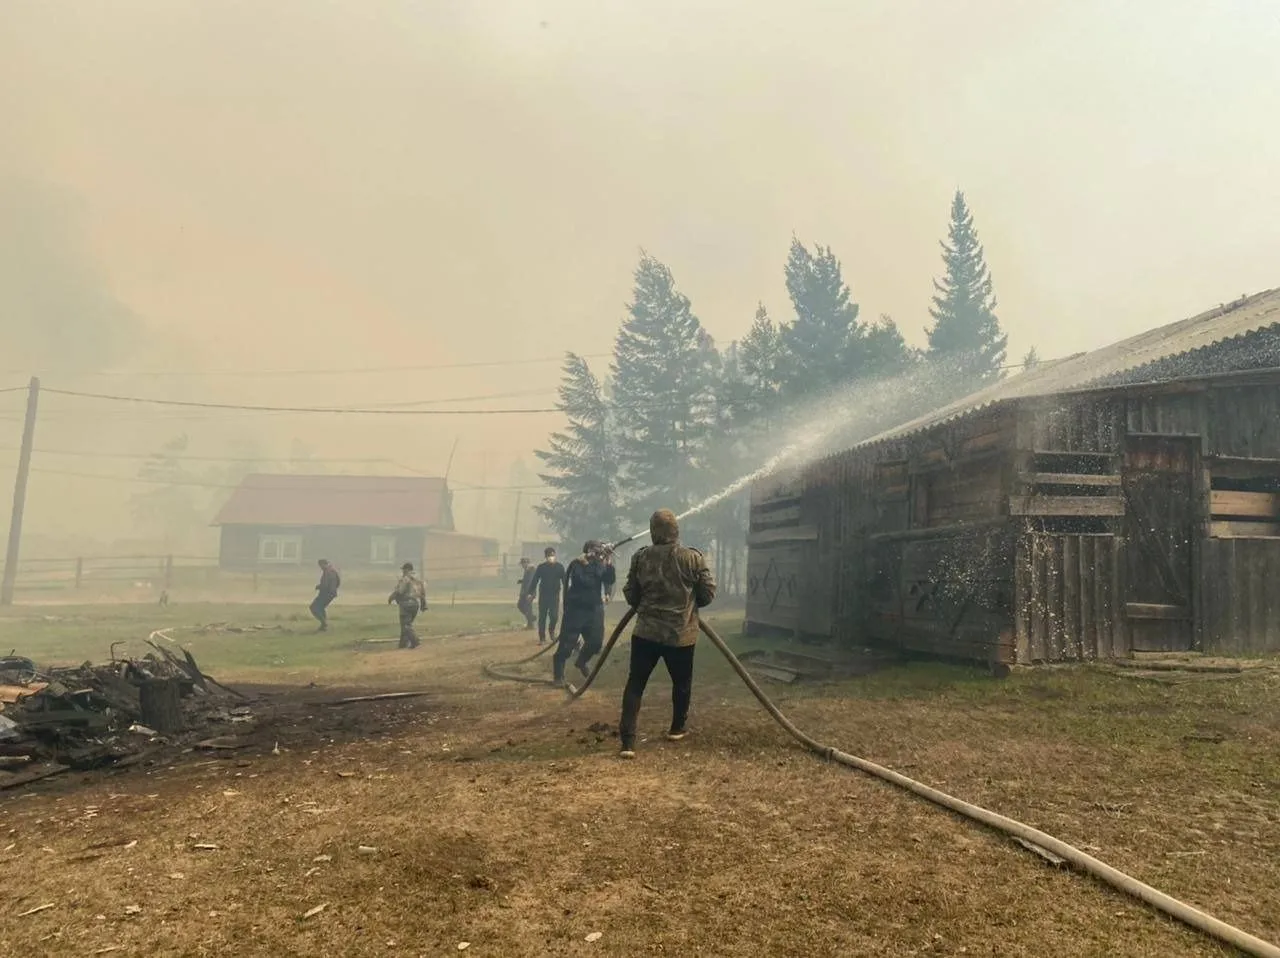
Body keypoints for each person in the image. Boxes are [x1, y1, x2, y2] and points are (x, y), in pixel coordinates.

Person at [617, 509, 715, 759]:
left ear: (652, 532)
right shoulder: (692, 558)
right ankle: (677, 728)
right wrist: (688, 604)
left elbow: (630, 593)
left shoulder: (641, 558)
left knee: (636, 683)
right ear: (676, 531)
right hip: (680, 635)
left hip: (645, 634)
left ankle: (628, 742)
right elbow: (707, 594)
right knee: (681, 683)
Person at [552, 539, 616, 685]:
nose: (599, 551)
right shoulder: (577, 564)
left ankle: (581, 661)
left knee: (596, 643)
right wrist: (588, 565)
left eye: (600, 548)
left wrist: (609, 562)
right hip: (576, 609)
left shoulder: (601, 563)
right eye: (596, 549)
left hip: (594, 609)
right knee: (567, 645)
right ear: (588, 550)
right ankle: (558, 675)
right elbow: (584, 581)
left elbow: (609, 579)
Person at [526, 547, 565, 644]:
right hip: (543, 596)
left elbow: (565, 581)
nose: (551, 557)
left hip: (555, 596)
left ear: (555, 555)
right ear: (545, 557)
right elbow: (535, 580)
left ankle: (551, 630)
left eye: (552, 555)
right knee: (542, 617)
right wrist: (530, 593)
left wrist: (569, 592)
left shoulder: (560, 567)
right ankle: (542, 638)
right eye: (549, 556)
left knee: (554, 616)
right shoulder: (541, 567)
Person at [388, 561, 427, 649]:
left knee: (406, 625)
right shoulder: (418, 580)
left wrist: (392, 597)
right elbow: (423, 593)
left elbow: (400, 591)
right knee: (406, 624)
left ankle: (414, 640)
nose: (402, 572)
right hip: (415, 604)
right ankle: (403, 643)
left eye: (403, 570)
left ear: (406, 570)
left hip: (406, 604)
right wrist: (423, 604)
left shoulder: (405, 579)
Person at [310, 559, 341, 633]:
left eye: (320, 565)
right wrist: (333, 589)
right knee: (321, 607)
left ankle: (324, 623)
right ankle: (323, 626)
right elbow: (338, 581)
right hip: (332, 593)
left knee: (314, 607)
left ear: (323, 564)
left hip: (325, 593)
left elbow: (325, 585)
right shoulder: (333, 570)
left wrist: (319, 586)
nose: (320, 567)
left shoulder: (327, 572)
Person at [516, 558, 536, 630]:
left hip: (529, 592)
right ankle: (531, 619)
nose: (522, 565)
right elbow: (527, 580)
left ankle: (531, 623)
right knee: (522, 606)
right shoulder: (527, 569)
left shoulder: (531, 570)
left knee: (526, 607)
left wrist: (528, 593)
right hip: (525, 592)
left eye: (522, 564)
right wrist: (521, 581)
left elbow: (531, 581)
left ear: (526, 563)